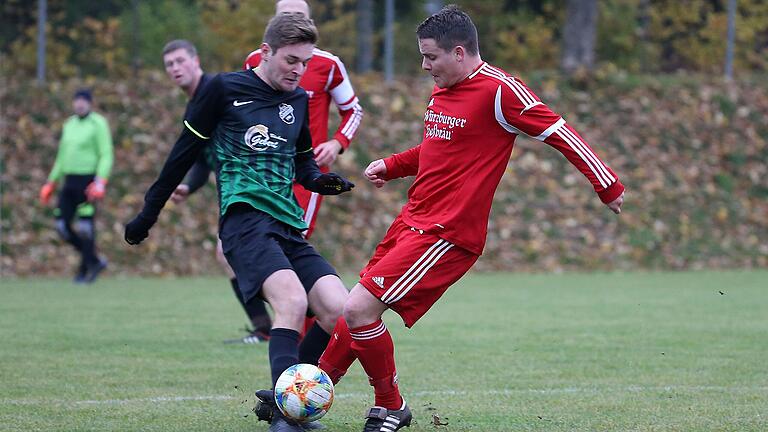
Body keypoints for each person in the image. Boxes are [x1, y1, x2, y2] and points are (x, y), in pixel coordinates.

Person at [314, 5, 626, 432]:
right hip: (413, 220)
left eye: (430, 57)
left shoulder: (500, 91)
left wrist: (605, 183)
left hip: (448, 232)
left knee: (359, 307)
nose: (425, 66)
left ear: (459, 53)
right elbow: (440, 151)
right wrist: (392, 165)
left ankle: (391, 406)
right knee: (358, 311)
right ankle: (312, 389)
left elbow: (559, 131)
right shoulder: (444, 88)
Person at [125, 13, 353, 432]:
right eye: (291, 60)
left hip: (288, 225)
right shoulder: (223, 89)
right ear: (265, 52)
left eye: (304, 62)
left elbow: (301, 163)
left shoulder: (298, 99)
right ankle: (288, 417)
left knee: (340, 311)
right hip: (244, 221)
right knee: (292, 302)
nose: (298, 71)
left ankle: (281, 396)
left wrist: (321, 182)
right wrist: (147, 215)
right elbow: (182, 155)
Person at [162, 39, 273, 344]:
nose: (175, 68)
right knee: (228, 254)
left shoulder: (218, 92)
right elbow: (202, 159)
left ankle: (297, 319)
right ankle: (267, 326)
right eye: (169, 64)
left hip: (257, 188)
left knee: (243, 254)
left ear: (196, 61)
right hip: (236, 193)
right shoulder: (195, 106)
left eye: (180, 61)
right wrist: (188, 186)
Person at [243, 0, 364, 240]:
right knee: (254, 243)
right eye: (285, 17)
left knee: (291, 242)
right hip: (263, 170)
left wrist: (336, 143)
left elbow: (353, 110)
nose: (292, 23)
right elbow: (243, 112)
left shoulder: (328, 65)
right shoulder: (256, 61)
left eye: (299, 17)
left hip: (305, 174)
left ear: (311, 24)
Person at [39, 89, 113, 284]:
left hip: (88, 183)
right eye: (77, 101)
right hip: (69, 183)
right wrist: (51, 182)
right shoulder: (69, 125)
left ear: (90, 103)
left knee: (85, 228)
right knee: (62, 226)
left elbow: (106, 153)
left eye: (83, 101)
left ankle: (84, 271)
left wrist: (100, 181)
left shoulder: (98, 124)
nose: (80, 104)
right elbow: (61, 157)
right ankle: (94, 261)